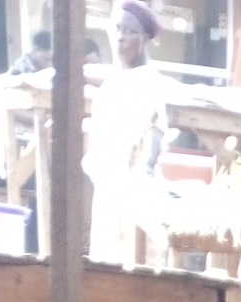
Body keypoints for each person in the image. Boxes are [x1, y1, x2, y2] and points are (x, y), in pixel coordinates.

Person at [84, 0, 167, 266]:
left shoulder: (149, 81)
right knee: (105, 266)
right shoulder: (114, 80)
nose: (121, 37)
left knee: (135, 265)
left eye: (130, 31)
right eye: (118, 29)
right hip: (108, 192)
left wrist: (146, 168)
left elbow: (155, 128)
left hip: (133, 191)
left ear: (144, 38)